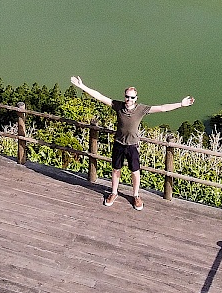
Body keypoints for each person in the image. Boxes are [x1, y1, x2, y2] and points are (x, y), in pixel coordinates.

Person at [70, 76, 194, 210]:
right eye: (127, 97)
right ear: (124, 97)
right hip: (118, 143)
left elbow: (163, 108)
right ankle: (113, 193)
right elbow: (100, 96)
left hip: (133, 145)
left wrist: (181, 104)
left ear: (136, 98)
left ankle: (136, 196)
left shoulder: (141, 109)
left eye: (132, 97)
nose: (129, 100)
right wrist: (81, 86)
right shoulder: (118, 106)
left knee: (135, 171)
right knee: (116, 169)